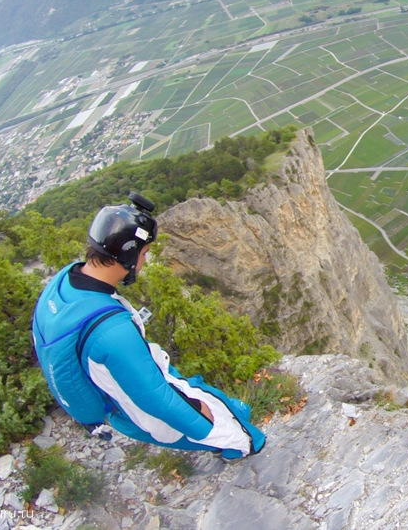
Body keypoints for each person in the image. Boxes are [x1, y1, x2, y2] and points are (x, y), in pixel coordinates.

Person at [32, 193, 266, 460]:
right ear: (128, 256)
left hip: (111, 393)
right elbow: (157, 400)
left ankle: (229, 410)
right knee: (239, 433)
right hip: (137, 410)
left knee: (215, 400)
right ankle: (237, 444)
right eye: (143, 254)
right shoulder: (113, 333)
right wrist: (199, 413)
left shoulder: (65, 282)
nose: (144, 262)